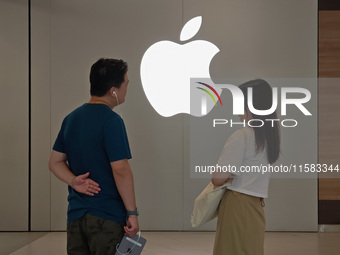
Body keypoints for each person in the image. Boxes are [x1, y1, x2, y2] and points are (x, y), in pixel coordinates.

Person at [48, 58, 139, 255]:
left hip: (76, 217)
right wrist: (132, 213)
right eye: (127, 84)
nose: (127, 89)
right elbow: (120, 170)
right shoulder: (112, 121)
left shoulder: (70, 119)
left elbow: (55, 162)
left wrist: (73, 181)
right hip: (107, 218)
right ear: (113, 90)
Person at [212, 79, 280, 255]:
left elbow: (217, 178)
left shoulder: (241, 136)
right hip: (256, 206)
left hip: (237, 203)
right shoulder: (268, 138)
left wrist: (226, 175)